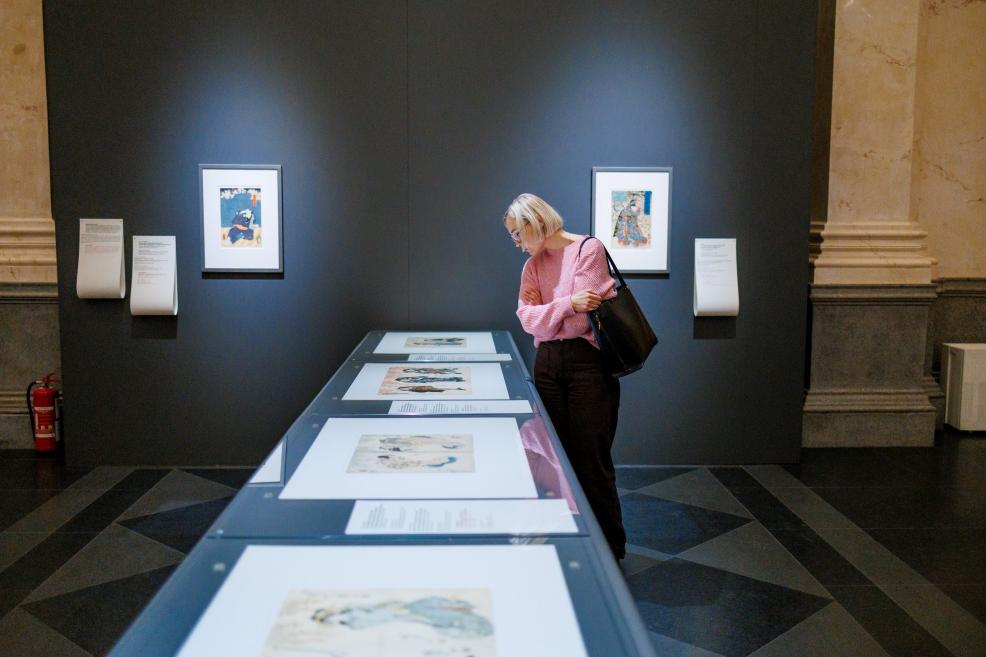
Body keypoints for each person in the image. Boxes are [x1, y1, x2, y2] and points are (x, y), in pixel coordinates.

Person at [503, 193, 626, 559]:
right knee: (551, 456)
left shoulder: (588, 250)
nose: (517, 243)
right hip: (548, 364)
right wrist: (566, 304)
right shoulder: (532, 267)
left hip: (588, 364)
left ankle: (608, 548)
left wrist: (555, 311)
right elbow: (527, 319)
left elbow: (580, 319)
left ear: (534, 223)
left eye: (516, 234)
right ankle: (566, 540)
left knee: (592, 457)